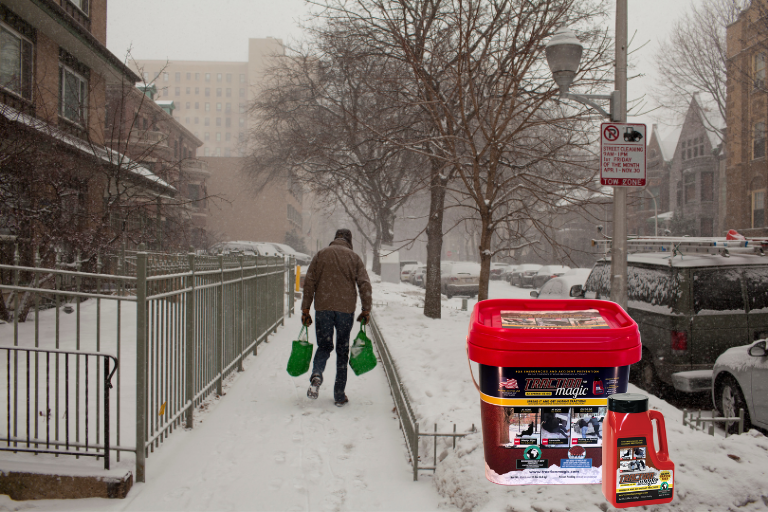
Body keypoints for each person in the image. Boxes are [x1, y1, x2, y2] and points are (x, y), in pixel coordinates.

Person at [301, 229, 372, 406]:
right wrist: (366, 309)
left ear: (335, 238)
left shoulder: (320, 255)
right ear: (349, 240)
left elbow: (309, 282)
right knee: (342, 350)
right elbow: (364, 284)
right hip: (345, 310)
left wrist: (306, 309)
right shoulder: (354, 258)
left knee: (324, 346)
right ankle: (339, 395)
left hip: (323, 308)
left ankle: (317, 373)